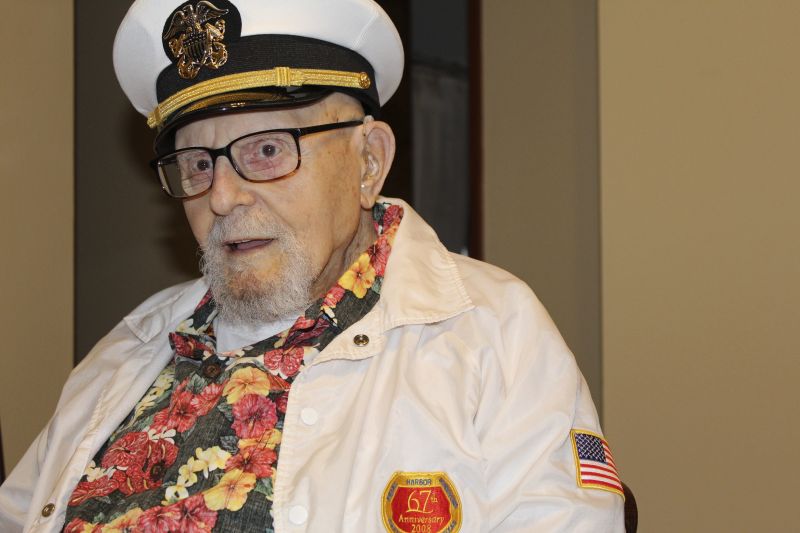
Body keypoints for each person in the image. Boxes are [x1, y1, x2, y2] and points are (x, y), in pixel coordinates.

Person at [0, 0, 625, 531]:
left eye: (268, 149)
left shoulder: (494, 334)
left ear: (369, 161)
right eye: (196, 163)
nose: (221, 196)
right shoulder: (123, 354)